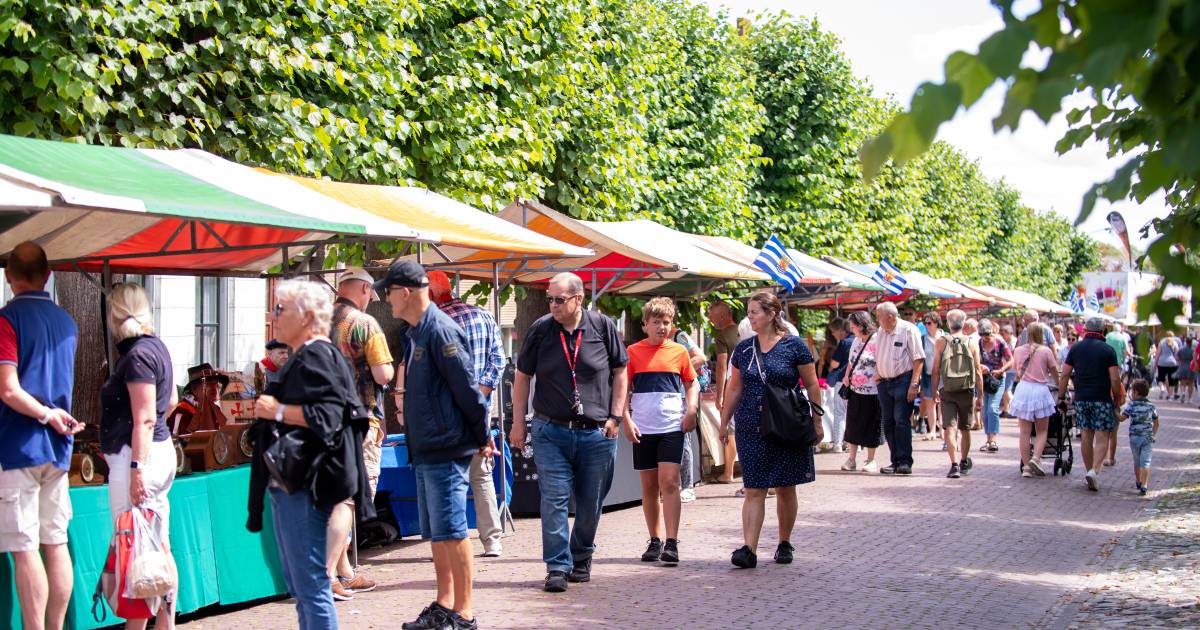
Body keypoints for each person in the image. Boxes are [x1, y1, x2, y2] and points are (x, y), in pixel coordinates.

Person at [250, 279, 373, 630]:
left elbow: (328, 418)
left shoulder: (317, 355)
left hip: (306, 486)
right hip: (298, 485)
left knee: (311, 586)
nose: (273, 317)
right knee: (305, 587)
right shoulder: (312, 354)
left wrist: (276, 410)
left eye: (279, 309)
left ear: (305, 317)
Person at [375, 262, 490, 630]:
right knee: (439, 530)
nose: (385, 298)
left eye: (388, 291)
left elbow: (468, 389)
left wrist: (481, 435)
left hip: (445, 446)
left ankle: (465, 614)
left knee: (453, 529)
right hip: (427, 447)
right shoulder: (418, 333)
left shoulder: (440, 330)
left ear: (406, 292)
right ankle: (445, 603)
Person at [508, 272, 629, 593]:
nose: (553, 305)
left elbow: (620, 373)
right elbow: (522, 377)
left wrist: (616, 417)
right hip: (551, 430)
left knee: (591, 503)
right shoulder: (541, 330)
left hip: (597, 433)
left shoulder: (602, 328)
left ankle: (582, 554)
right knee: (554, 499)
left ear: (578, 299)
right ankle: (557, 566)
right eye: (550, 298)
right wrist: (518, 422)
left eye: (559, 299)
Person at [0, 241, 81, 630]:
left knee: (24, 547)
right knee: (55, 542)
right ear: (48, 275)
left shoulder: (6, 320)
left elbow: (9, 389)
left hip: (20, 446)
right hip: (59, 449)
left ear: (7, 275)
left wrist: (46, 414)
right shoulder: (67, 322)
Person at [719, 291, 822, 569]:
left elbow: (811, 383)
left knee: (785, 486)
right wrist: (724, 419)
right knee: (754, 487)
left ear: (772, 314)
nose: (750, 317)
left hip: (785, 423)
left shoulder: (794, 346)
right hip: (750, 425)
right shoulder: (744, 349)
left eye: (755, 312)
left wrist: (816, 419)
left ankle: (784, 542)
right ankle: (749, 549)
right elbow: (735, 386)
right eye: (749, 312)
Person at [100, 283, 179, 630]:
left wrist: (135, 469)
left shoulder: (137, 356)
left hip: (140, 457)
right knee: (156, 543)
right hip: (153, 453)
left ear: (114, 314)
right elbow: (170, 403)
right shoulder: (154, 347)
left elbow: (146, 418)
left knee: (136, 546)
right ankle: (164, 624)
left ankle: (143, 626)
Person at [327, 267, 395, 599]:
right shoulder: (364, 324)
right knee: (349, 499)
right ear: (365, 289)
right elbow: (383, 374)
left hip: (323, 420)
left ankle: (344, 570)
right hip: (360, 420)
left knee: (335, 497)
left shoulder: (320, 319)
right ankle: (328, 574)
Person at [428, 270, 505, 557]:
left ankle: (453, 542)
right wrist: (481, 392)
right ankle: (492, 540)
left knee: (450, 477)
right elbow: (498, 358)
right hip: (479, 412)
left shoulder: (434, 323)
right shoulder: (484, 315)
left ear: (432, 294)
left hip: (446, 412)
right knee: (481, 476)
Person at [622, 298, 698, 565]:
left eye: (666, 322)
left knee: (670, 482)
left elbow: (691, 384)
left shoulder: (679, 352)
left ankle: (672, 542)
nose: (662, 327)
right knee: (649, 487)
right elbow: (623, 390)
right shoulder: (632, 352)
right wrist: (626, 420)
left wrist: (691, 409)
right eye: (656, 322)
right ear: (645, 325)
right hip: (643, 428)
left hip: (671, 427)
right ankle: (654, 540)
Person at [1058, 317, 1124, 492]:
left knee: (1086, 435)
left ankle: (1089, 471)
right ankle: (1094, 471)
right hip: (1102, 397)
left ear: (1085, 330)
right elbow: (1115, 378)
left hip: (1081, 398)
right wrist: (1117, 397)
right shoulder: (1108, 350)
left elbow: (1064, 375)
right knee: (1103, 435)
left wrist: (1061, 396)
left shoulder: (1076, 348)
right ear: (1103, 331)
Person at [930, 309, 983, 479]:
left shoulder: (941, 342)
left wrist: (934, 391)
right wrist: (980, 394)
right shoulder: (972, 343)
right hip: (966, 390)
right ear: (964, 322)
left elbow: (935, 369)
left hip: (947, 389)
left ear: (948, 323)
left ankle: (953, 465)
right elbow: (978, 370)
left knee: (950, 428)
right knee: (965, 428)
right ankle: (964, 460)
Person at [873, 302, 925, 475]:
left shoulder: (908, 330)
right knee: (888, 421)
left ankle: (904, 461)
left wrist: (914, 384)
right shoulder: (881, 331)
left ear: (890, 317)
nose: (876, 319)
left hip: (903, 380)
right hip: (884, 383)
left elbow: (918, 358)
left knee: (901, 420)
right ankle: (895, 460)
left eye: (879, 316)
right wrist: (878, 374)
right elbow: (878, 354)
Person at [1010, 324, 1060, 478]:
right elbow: (1054, 371)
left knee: (1024, 431)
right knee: (1042, 430)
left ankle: (1026, 467)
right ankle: (1036, 458)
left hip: (1023, 389)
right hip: (1040, 389)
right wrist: (1059, 385)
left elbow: (1016, 372)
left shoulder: (1018, 350)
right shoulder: (1046, 351)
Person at [666, 322, 708, 503]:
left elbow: (701, 357)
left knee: (684, 440)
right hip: (668, 395)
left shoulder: (679, 336)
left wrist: (679, 370)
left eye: (664, 319)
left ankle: (688, 486)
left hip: (683, 394)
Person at [840, 311, 881, 473]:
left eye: (853, 326)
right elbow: (851, 361)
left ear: (861, 325)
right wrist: (846, 376)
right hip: (855, 389)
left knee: (872, 423)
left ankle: (871, 459)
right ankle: (851, 458)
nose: (851, 329)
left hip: (873, 390)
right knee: (853, 423)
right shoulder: (856, 341)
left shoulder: (877, 339)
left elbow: (881, 360)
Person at [707, 301, 741, 486]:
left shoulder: (721, 336)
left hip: (732, 386)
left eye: (712, 317)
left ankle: (728, 472)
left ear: (722, 316)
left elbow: (721, 366)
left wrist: (719, 395)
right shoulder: (743, 330)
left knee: (730, 430)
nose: (711, 321)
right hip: (748, 385)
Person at [977, 319, 1012, 453]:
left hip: (998, 379)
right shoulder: (979, 343)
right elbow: (977, 361)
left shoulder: (999, 342)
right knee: (985, 412)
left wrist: (1002, 370)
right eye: (984, 335)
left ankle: (993, 440)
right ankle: (988, 439)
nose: (987, 338)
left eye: (988, 335)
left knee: (992, 408)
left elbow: (1011, 360)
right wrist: (981, 366)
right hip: (985, 380)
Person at [167, 363, 229, 436]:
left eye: (216, 384)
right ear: (194, 388)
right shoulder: (182, 412)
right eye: (208, 383)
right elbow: (179, 444)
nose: (214, 388)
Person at [1121, 379, 1159, 496]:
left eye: (1132, 392)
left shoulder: (1132, 404)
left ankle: (1138, 481)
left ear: (1137, 392)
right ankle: (1145, 485)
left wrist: (1114, 412)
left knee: (1137, 461)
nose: (1131, 394)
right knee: (1146, 462)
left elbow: (1122, 418)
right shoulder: (1151, 406)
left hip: (1135, 438)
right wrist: (1153, 434)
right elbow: (1157, 422)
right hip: (1147, 437)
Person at [824, 317, 851, 452]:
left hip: (842, 381)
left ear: (840, 330)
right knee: (852, 413)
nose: (833, 335)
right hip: (858, 382)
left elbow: (835, 363)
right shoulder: (859, 340)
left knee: (839, 412)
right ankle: (852, 443)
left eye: (834, 332)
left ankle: (838, 443)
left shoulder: (844, 343)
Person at [917, 312, 942, 440]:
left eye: (929, 323)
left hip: (943, 375)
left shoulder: (944, 337)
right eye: (925, 323)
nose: (926, 325)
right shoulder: (922, 339)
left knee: (942, 403)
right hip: (928, 374)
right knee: (929, 403)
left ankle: (943, 429)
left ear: (936, 323)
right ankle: (932, 430)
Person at [999, 323, 1019, 418]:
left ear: (1009, 333)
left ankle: (1016, 408)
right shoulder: (1005, 342)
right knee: (1005, 390)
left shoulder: (1014, 342)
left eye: (1004, 334)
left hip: (1012, 369)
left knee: (1007, 390)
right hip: (1006, 369)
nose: (1003, 336)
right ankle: (1006, 410)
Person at [1153, 331, 1180, 400]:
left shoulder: (1162, 342)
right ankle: (1170, 396)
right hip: (1172, 363)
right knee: (1172, 381)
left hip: (1162, 363)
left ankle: (1162, 388)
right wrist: (1178, 363)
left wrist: (1155, 364)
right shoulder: (1175, 343)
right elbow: (1177, 355)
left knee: (1160, 378)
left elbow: (1158, 354)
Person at [1173, 334, 1195, 404]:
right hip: (1191, 366)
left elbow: (1177, 357)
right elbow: (1194, 358)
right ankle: (1190, 399)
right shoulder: (1193, 350)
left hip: (1182, 366)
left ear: (1186, 341)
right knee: (1191, 383)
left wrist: (1181, 360)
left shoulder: (1181, 349)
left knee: (1182, 382)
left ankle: (1183, 393)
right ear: (1191, 342)